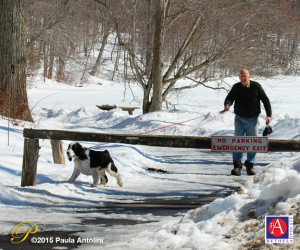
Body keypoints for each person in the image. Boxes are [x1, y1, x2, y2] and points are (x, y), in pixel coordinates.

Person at [224, 69, 272, 176]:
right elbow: (229, 98)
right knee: (237, 142)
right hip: (239, 119)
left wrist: (268, 115)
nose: (243, 78)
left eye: (245, 76)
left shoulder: (256, 86)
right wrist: (227, 104)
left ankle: (250, 165)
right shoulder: (236, 87)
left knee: (252, 142)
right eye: (241, 76)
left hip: (252, 119)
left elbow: (265, 100)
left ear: (249, 76)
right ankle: (237, 166)